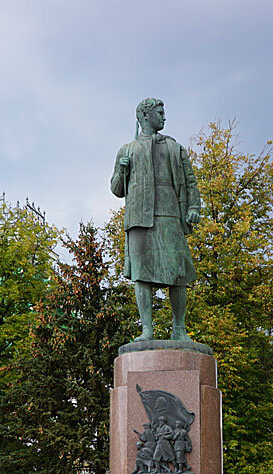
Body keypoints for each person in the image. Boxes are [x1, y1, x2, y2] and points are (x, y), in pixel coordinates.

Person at [111, 98, 201, 342]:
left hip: (170, 213)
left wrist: (193, 206)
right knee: (142, 274)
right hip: (139, 217)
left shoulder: (174, 148)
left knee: (178, 272)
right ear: (144, 116)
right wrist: (121, 169)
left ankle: (179, 329)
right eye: (159, 113)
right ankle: (147, 330)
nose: (164, 117)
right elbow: (117, 190)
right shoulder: (126, 150)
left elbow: (189, 180)